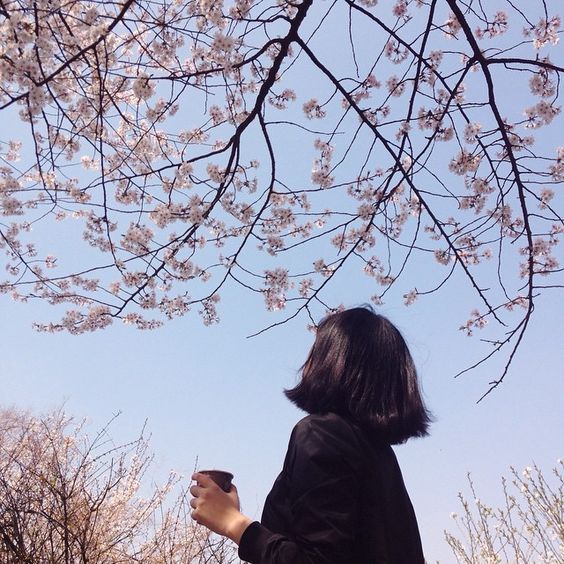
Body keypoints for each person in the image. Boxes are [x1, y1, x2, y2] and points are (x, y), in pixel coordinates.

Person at [190, 306, 431, 563]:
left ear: (333, 362)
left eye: (316, 351)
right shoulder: (379, 457)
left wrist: (235, 524)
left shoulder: (323, 435)